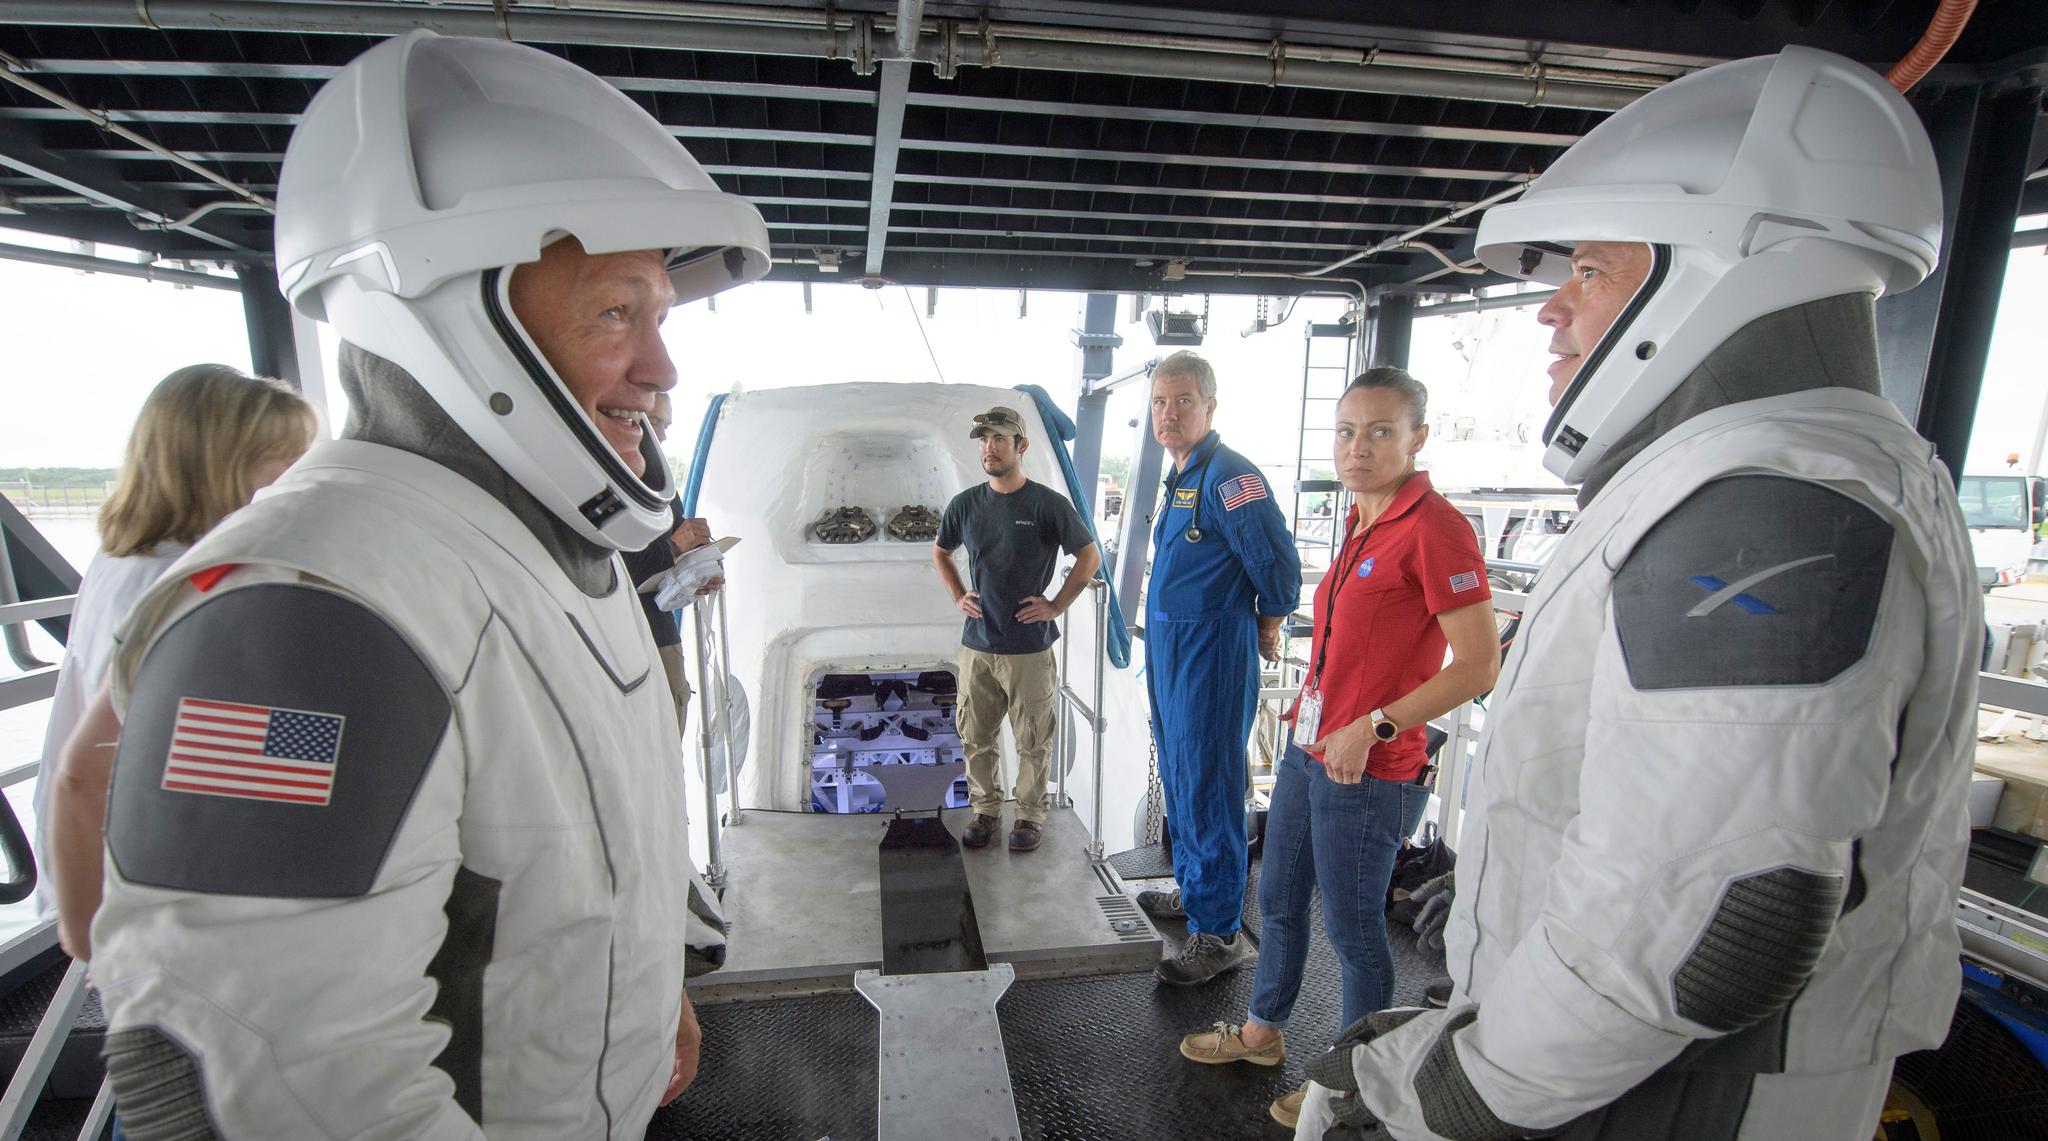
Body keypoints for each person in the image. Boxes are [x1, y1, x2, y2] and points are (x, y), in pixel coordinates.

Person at [80, 30, 770, 1138]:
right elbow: (243, 1075)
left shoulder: (536, 553)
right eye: (613, 313)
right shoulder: (307, 617)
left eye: (659, 315)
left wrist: (646, 993)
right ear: (451, 315)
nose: (661, 369)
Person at [1296, 47, 1977, 1141]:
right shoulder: (1781, 475)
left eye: (1589, 271)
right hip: (1630, 1078)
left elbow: (1716, 918)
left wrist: (1455, 1091)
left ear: (1713, 272)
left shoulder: (1766, 502)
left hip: (1666, 1099)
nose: (1548, 312)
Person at [1176, 367, 1500, 1130]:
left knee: (1355, 931)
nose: (1359, 447)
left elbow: (1480, 664)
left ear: (1417, 439)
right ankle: (1260, 1032)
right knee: (1279, 899)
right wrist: (1317, 702)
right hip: (1310, 748)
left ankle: (1358, 1082)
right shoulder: (1360, 517)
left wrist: (1375, 722)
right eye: (1347, 431)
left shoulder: (1435, 527)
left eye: (1381, 431)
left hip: (1372, 768)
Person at [39, 364, 317, 937]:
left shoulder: (125, 559)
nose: (301, 476)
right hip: (148, 885)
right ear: (215, 462)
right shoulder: (188, 587)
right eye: (284, 457)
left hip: (109, 863)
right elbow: (104, 765)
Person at [1137, 350, 1302, 986]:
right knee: (1181, 774)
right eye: (1158, 402)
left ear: (1210, 406)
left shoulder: (1231, 477)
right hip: (1172, 651)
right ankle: (1194, 889)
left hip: (1211, 652)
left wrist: (1268, 621)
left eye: (1182, 401)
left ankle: (1220, 931)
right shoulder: (1182, 477)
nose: (1168, 413)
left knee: (1208, 781)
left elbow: (1277, 566)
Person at [932, 405, 1102, 852]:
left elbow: (1089, 557)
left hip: (1028, 647)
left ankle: (1028, 816)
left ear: (1020, 446)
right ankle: (985, 810)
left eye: (999, 439)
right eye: (984, 440)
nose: (989, 447)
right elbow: (941, 552)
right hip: (978, 645)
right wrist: (957, 594)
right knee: (976, 734)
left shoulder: (1046, 504)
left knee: (1032, 738)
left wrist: (1056, 605)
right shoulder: (965, 505)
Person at [621, 391, 720, 736]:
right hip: (633, 643)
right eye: (655, 421)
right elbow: (617, 567)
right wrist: (675, 546)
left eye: (665, 424)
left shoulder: (661, 486)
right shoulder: (618, 484)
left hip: (661, 634)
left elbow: (656, 569)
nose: (661, 434)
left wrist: (695, 575)